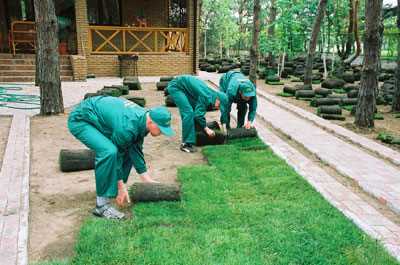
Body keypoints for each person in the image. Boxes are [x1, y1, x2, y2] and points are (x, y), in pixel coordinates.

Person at [68, 96, 174, 220]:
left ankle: (112, 188)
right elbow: (118, 155)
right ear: (151, 122)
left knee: (126, 148)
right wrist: (121, 186)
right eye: (161, 129)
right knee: (109, 151)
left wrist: (146, 179)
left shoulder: (143, 119)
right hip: (81, 120)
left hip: (99, 116)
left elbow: (136, 148)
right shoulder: (128, 126)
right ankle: (101, 206)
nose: (162, 133)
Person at [166, 75, 228, 153]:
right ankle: (185, 144)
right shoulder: (206, 96)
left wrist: (224, 125)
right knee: (188, 112)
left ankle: (194, 133)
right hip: (176, 87)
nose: (218, 108)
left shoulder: (213, 95)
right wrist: (206, 129)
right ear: (218, 100)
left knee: (193, 109)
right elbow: (198, 115)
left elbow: (199, 112)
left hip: (187, 89)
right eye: (219, 106)